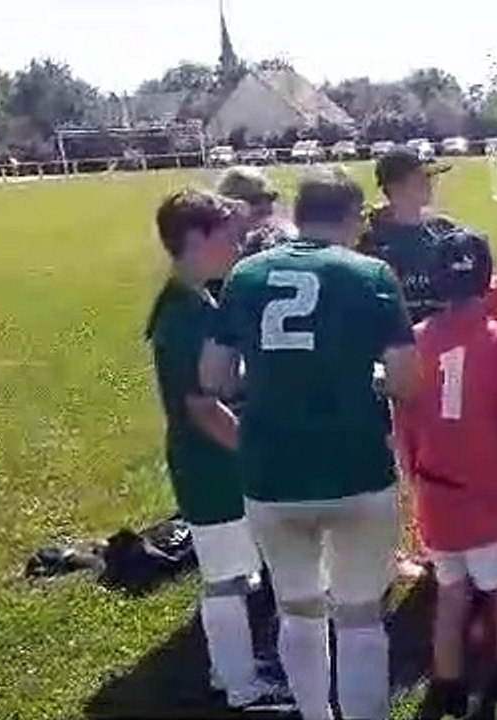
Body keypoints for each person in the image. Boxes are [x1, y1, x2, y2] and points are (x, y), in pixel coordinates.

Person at [201, 167, 421, 720]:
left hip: (273, 469)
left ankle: (314, 714)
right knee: (360, 613)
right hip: (355, 466)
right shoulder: (371, 272)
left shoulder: (246, 274)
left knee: (297, 607)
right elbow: (404, 381)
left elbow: (214, 377)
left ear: (298, 216)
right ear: (351, 216)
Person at [144, 189, 289, 712]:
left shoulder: (195, 299)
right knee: (226, 578)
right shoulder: (185, 316)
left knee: (233, 570)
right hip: (211, 465)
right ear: (195, 238)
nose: (238, 245)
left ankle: (234, 668)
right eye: (228, 237)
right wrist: (255, 456)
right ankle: (240, 683)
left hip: (214, 461)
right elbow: (203, 408)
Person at [395, 230, 497, 720]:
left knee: (451, 592)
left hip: (436, 489)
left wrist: (413, 474)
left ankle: (448, 682)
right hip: (487, 492)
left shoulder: (414, 339)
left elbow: (403, 420)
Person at [358, 146, 465, 324]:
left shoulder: (444, 230)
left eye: (430, 177)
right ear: (394, 186)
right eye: (421, 177)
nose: (429, 183)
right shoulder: (369, 241)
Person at [216, 166, 297, 257]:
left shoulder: (279, 237)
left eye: (270, 198)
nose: (267, 208)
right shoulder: (213, 241)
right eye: (255, 200)